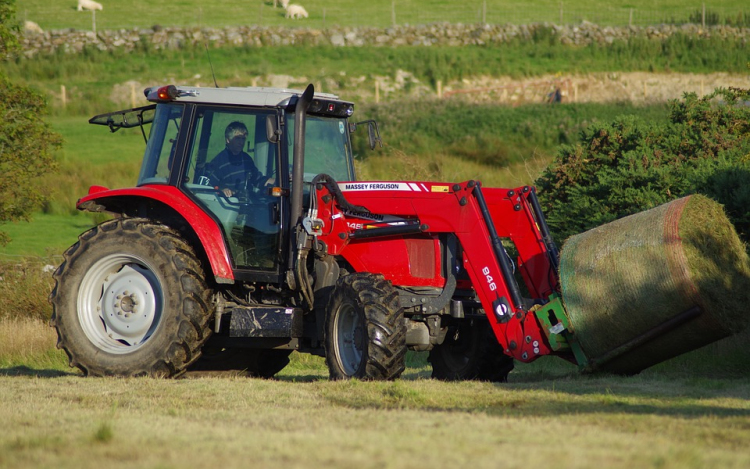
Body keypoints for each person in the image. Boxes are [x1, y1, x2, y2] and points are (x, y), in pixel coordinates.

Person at [205, 121, 272, 197]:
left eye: (243, 139)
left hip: (247, 203)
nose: (241, 142)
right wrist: (222, 189)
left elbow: (257, 179)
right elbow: (208, 187)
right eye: (237, 138)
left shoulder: (247, 159)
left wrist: (277, 183)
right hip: (227, 204)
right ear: (228, 140)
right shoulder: (218, 163)